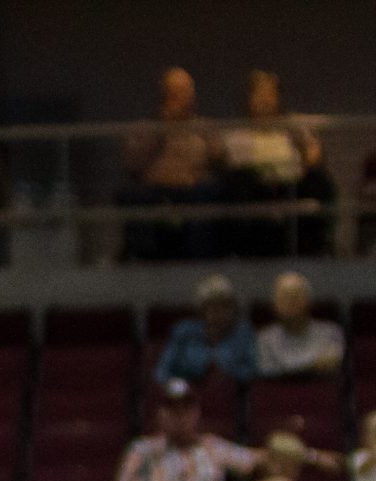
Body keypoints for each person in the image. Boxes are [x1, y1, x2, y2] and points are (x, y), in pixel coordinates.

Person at [221, 68, 335, 259]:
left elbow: (313, 154)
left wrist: (306, 157)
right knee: (241, 183)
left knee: (320, 181)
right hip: (257, 190)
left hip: (291, 184)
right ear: (249, 99)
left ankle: (315, 249)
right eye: (260, 94)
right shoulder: (237, 136)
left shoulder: (293, 129)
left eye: (270, 94)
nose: (265, 100)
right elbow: (236, 164)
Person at [119, 67, 224, 262]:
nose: (185, 97)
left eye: (188, 92)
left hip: (194, 190)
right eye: (178, 92)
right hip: (156, 190)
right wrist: (163, 129)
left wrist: (210, 143)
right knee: (131, 195)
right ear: (165, 94)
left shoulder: (204, 127)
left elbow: (221, 161)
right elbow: (132, 165)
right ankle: (142, 258)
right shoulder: (146, 129)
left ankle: (201, 259)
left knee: (211, 193)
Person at [114, 379, 260, 481]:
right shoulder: (143, 449)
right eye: (172, 409)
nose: (180, 417)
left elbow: (256, 460)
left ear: (196, 413)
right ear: (160, 414)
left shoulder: (213, 445)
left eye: (186, 409)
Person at [153, 275, 259, 386]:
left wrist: (225, 370)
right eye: (213, 307)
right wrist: (181, 386)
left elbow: (252, 371)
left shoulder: (243, 333)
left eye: (226, 307)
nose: (220, 313)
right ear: (202, 309)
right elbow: (161, 373)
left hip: (232, 394)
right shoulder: (184, 332)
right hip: (188, 395)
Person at [255, 270, 346, 377]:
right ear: (274, 304)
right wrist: (312, 367)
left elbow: (332, 368)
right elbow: (268, 375)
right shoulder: (264, 339)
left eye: (296, 296)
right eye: (284, 297)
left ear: (309, 301)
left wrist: (292, 370)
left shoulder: (331, 333)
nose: (290, 302)